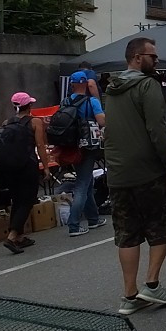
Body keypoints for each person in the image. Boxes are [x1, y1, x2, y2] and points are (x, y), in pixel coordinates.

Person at [104, 37, 166, 315]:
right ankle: (152, 282)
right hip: (147, 170)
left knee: (127, 233)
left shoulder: (111, 88)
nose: (156, 61)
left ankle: (129, 295)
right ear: (137, 57)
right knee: (163, 224)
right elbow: (157, 130)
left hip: (118, 172)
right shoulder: (148, 86)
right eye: (153, 56)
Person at [0, 92, 53, 255]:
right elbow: (40, 146)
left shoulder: (6, 123)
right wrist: (47, 167)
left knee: (17, 200)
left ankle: (20, 235)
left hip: (10, 168)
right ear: (29, 106)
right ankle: (12, 235)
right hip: (28, 166)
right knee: (27, 200)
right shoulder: (35, 122)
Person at [64, 71, 107, 238]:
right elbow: (102, 121)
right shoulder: (92, 101)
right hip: (88, 146)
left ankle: (93, 218)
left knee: (86, 181)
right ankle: (73, 224)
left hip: (71, 146)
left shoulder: (65, 101)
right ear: (86, 84)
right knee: (82, 185)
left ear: (72, 84)